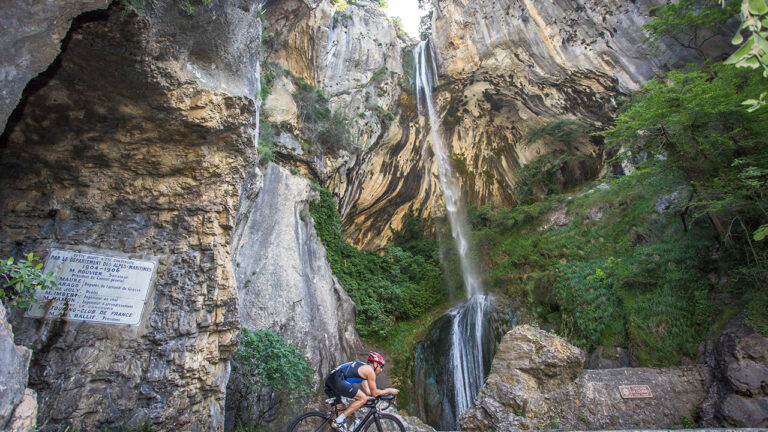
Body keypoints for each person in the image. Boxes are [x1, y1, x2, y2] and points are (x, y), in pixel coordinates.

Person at [324, 352, 399, 431]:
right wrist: (389, 390)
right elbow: (374, 393)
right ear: (375, 363)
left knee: (338, 413)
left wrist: (385, 392)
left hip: (330, 380)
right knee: (362, 398)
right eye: (381, 366)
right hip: (337, 380)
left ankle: (338, 422)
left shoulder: (363, 368)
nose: (381, 369)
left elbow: (369, 392)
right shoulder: (369, 371)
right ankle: (339, 421)